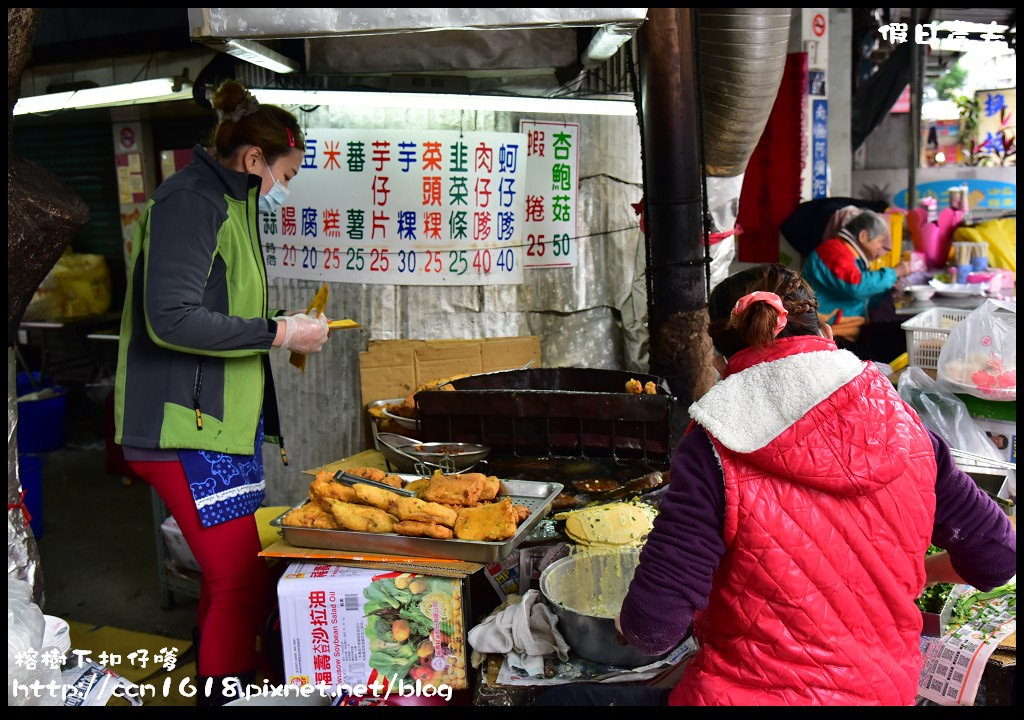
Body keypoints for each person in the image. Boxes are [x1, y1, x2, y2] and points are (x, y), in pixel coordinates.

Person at [536, 264, 1015, 706]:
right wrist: (911, 573)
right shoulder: (910, 429)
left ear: (724, 360)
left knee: (563, 701)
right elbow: (998, 558)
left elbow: (654, 629)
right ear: (825, 332)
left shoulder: (714, 444)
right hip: (884, 695)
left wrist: (630, 620)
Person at [113, 80, 330, 704]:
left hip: (218, 428)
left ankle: (235, 683)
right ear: (255, 158)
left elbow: (221, 308)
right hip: (180, 428)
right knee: (241, 583)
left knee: (226, 582)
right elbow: (171, 318)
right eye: (283, 174)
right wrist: (280, 331)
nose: (283, 189)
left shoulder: (229, 202)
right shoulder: (191, 201)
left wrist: (281, 326)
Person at [801, 209, 911, 362]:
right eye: (879, 242)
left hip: (849, 333)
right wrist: (894, 273)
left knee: (901, 335)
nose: (882, 250)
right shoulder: (833, 251)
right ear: (864, 236)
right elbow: (855, 285)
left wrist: (887, 288)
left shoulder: (851, 255)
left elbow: (863, 296)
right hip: (830, 337)